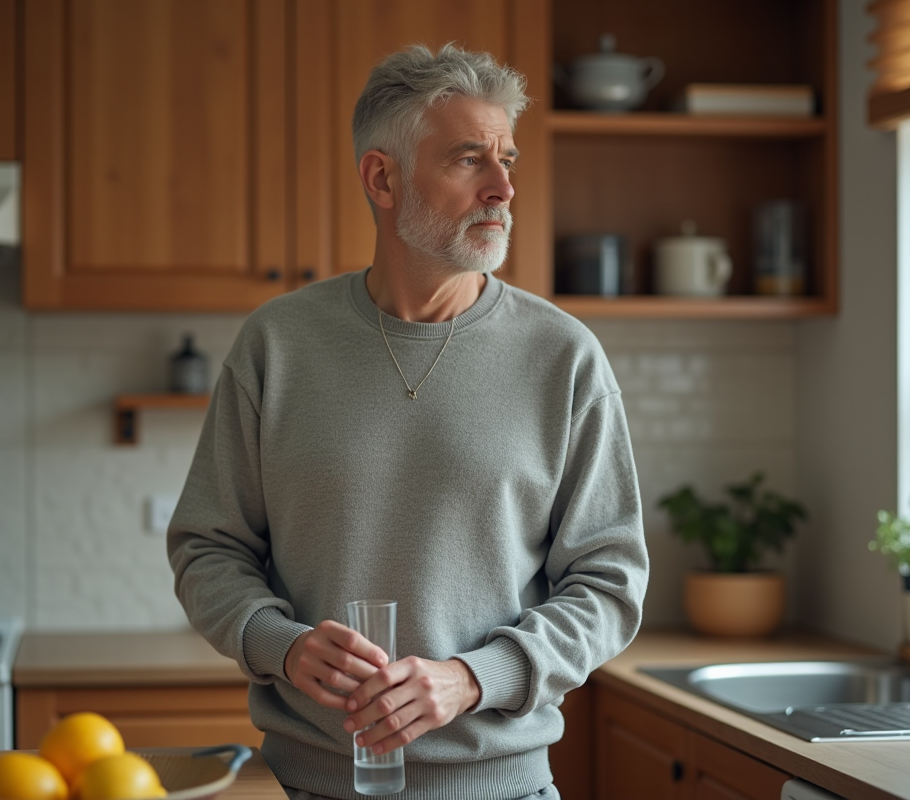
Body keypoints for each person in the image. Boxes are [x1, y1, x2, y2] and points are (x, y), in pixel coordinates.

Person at [168, 43, 648, 800]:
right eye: (469, 160)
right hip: (308, 787)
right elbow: (208, 547)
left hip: (506, 788)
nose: (504, 188)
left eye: (508, 160)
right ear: (382, 177)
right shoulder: (277, 345)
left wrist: (471, 679)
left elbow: (610, 585)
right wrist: (283, 647)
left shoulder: (564, 357)